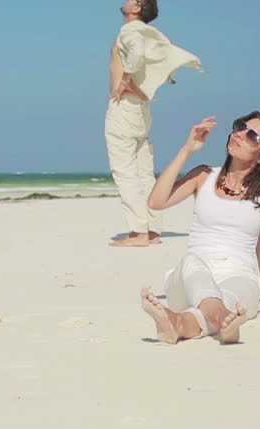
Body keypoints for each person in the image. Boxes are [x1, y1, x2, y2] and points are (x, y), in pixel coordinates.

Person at [140, 112, 260, 343]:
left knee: (239, 293)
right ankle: (224, 322)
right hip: (192, 274)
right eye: (240, 127)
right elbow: (156, 202)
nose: (240, 134)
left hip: (238, 273)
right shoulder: (204, 176)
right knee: (192, 265)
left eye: (252, 136)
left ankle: (178, 324)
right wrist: (187, 150)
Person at [106, 0, 202, 247]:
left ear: (137, 7)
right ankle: (152, 230)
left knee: (125, 171)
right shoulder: (145, 33)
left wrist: (125, 79)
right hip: (140, 109)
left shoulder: (130, 30)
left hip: (125, 108)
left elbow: (136, 55)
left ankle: (138, 233)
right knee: (143, 171)